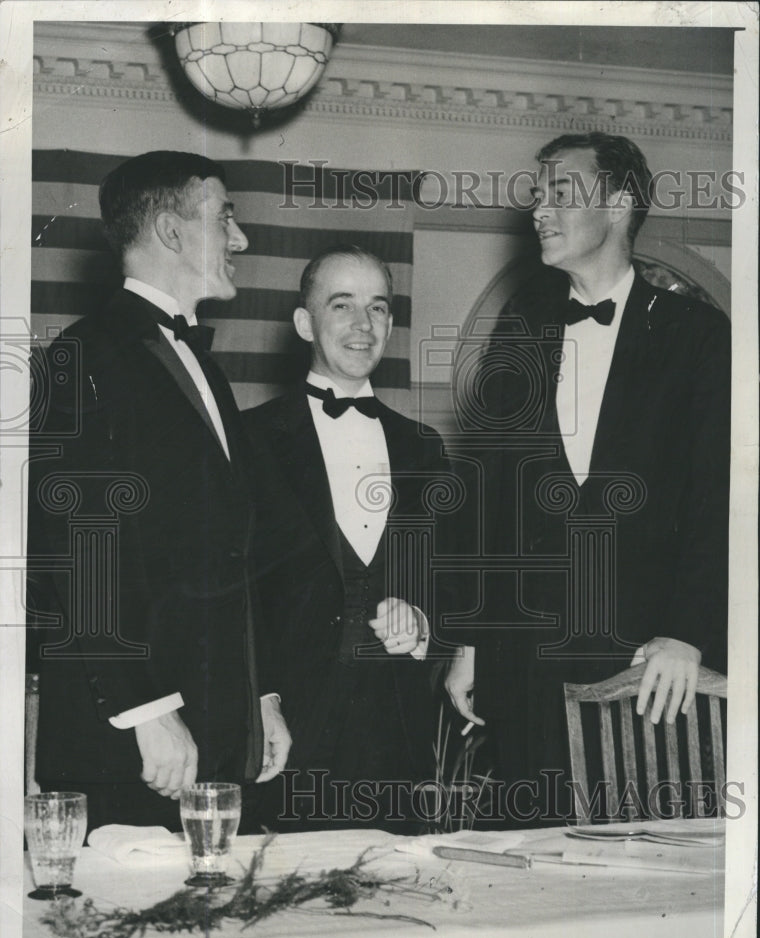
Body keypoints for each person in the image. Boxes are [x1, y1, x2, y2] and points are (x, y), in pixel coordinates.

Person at [445, 132, 730, 825]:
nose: (539, 208)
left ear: (622, 201)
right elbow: (492, 505)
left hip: (644, 662)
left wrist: (689, 634)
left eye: (560, 191)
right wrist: (472, 641)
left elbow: (717, 498)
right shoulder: (518, 328)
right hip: (522, 661)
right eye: (537, 193)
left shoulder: (697, 334)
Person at [27, 151, 291, 832]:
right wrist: (145, 710)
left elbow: (238, 551)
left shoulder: (207, 370)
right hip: (135, 744)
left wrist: (261, 696)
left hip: (218, 732)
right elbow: (79, 549)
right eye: (225, 216)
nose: (241, 239)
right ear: (173, 233)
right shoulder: (82, 355)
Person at [244, 245, 455, 831]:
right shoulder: (247, 440)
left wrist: (422, 620)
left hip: (397, 731)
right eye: (343, 306)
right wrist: (262, 703)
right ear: (305, 323)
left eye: (379, 308)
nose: (364, 326)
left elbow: (450, 579)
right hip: (284, 731)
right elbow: (231, 589)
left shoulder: (424, 448)